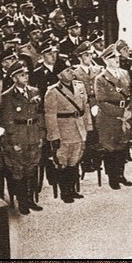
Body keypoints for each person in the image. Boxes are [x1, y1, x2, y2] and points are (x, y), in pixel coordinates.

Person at [44, 58, 93, 203]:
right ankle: (65, 192)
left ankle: (73, 189)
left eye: (71, 69)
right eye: (67, 70)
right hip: (64, 131)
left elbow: (85, 108)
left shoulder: (79, 86)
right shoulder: (52, 91)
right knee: (62, 162)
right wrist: (54, 136)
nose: (71, 72)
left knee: (75, 160)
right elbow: (50, 116)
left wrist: (88, 126)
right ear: (59, 75)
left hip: (79, 129)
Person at [0, 61, 44, 215]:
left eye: (26, 74)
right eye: (21, 75)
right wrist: (13, 141)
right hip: (19, 136)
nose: (25, 77)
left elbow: (39, 115)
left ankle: (31, 200)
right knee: (19, 171)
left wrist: (40, 135)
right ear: (14, 78)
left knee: (32, 169)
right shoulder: (8, 96)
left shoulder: (34, 91)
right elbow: (8, 121)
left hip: (33, 134)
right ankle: (22, 201)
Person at [93, 44, 132, 190]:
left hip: (125, 114)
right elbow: (102, 101)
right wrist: (121, 113)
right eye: (112, 57)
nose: (116, 59)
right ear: (105, 60)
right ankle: (112, 177)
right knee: (110, 148)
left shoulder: (124, 73)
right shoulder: (100, 78)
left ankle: (121, 175)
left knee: (122, 145)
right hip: (108, 118)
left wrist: (130, 109)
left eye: (117, 56)